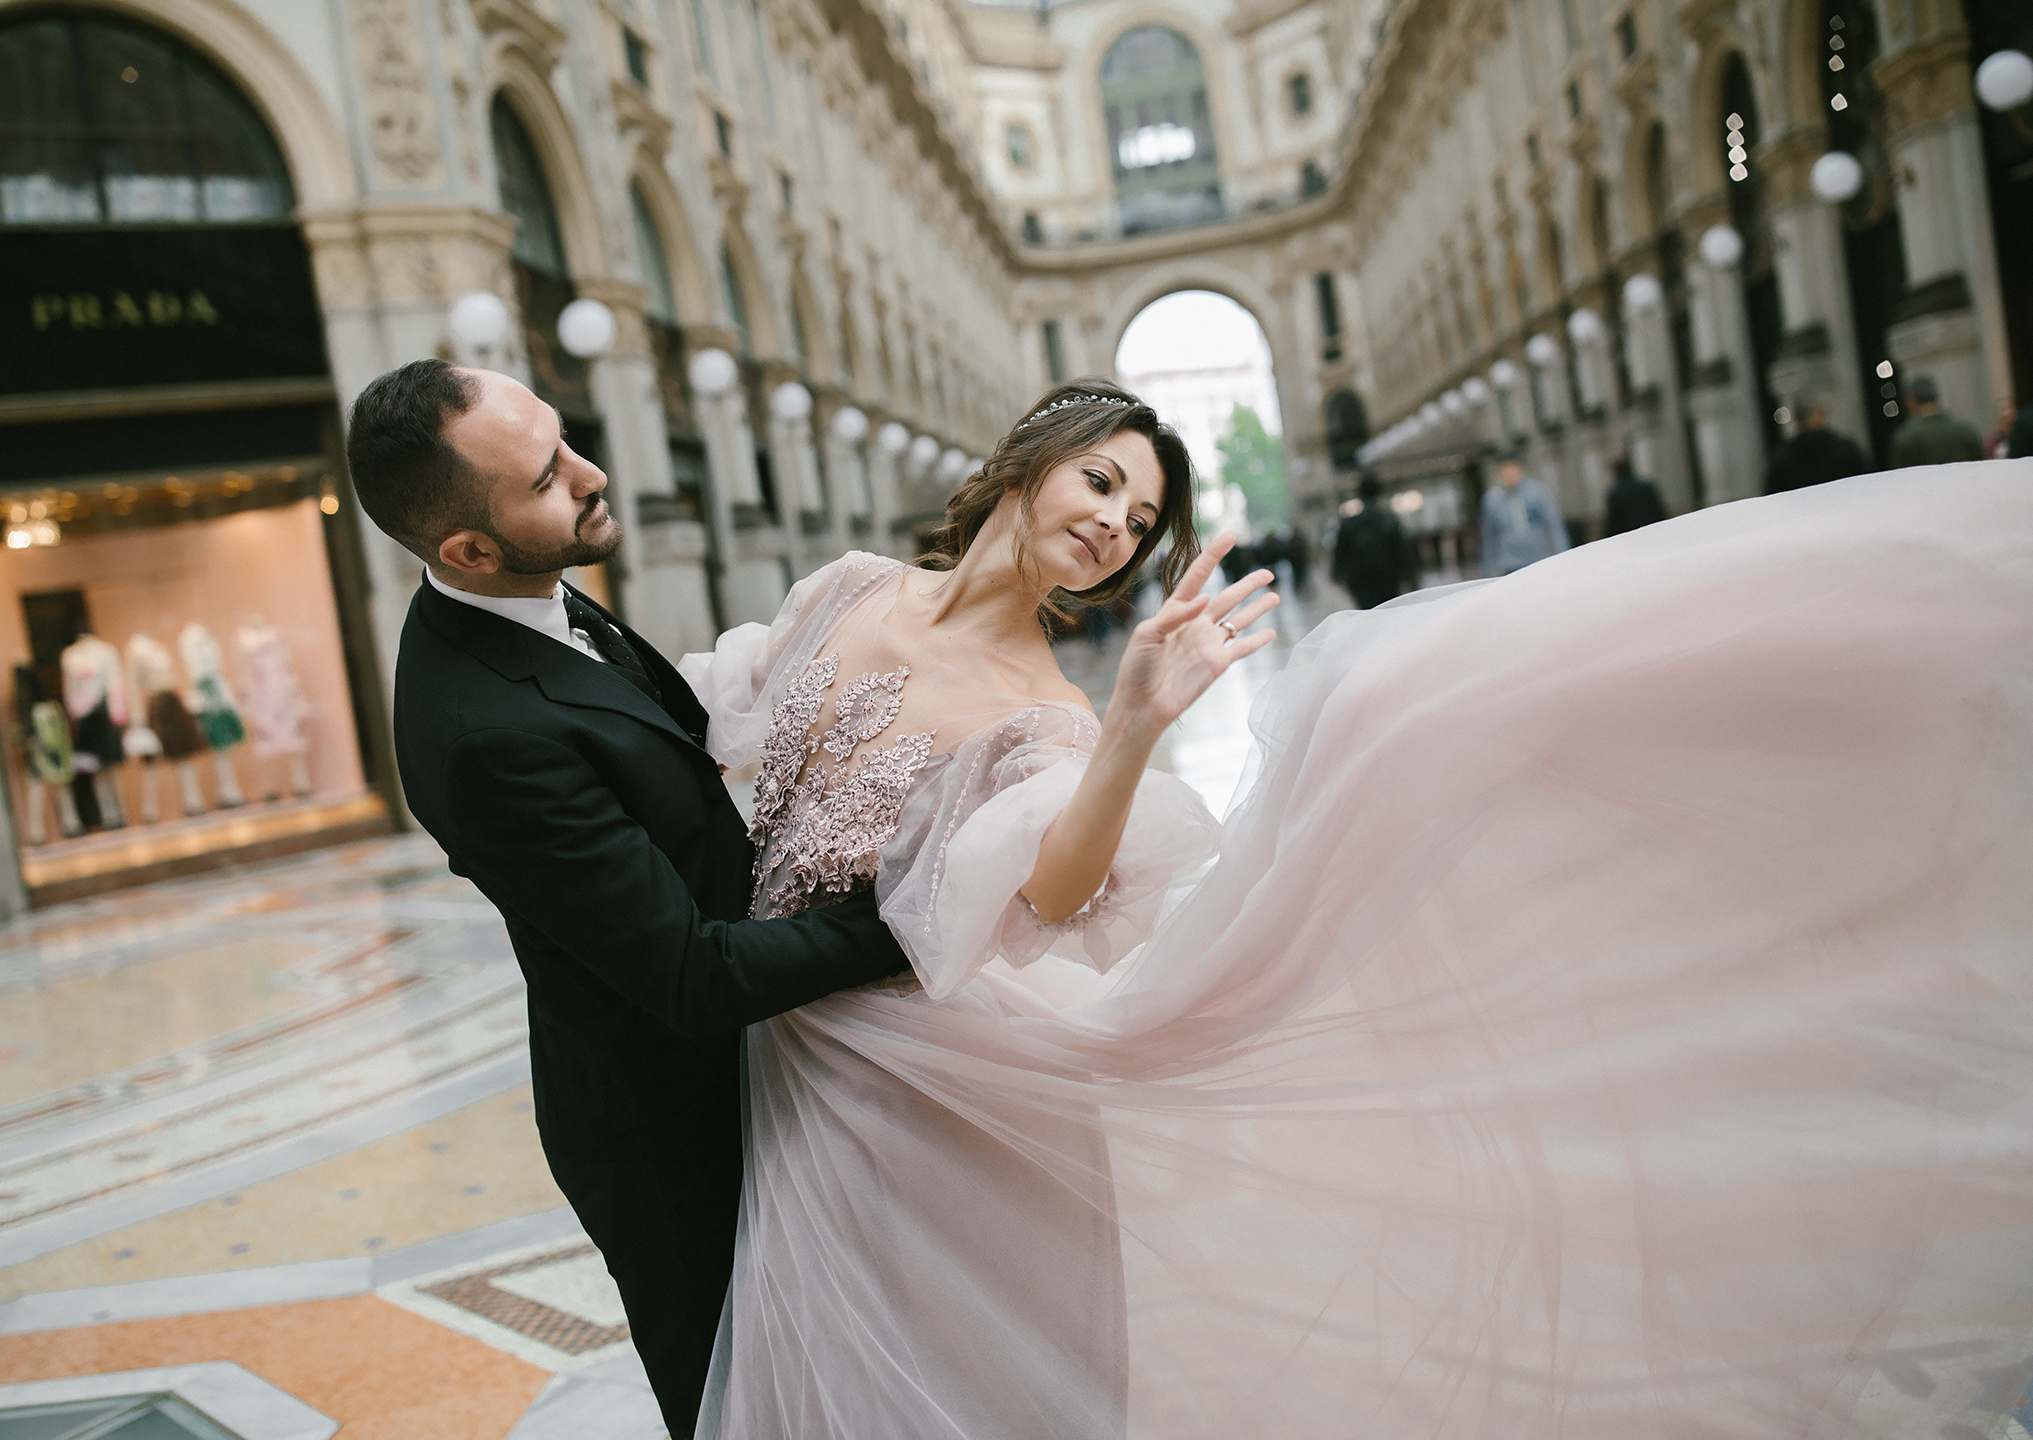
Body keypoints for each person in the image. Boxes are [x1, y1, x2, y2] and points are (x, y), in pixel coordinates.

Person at [681, 378, 2033, 1438]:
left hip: (908, 1096)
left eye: (1140, 521)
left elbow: (1054, 892)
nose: (1112, 525)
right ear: (1031, 461)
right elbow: (713, 741)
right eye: (1101, 481)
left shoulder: (1045, 708)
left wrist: (1134, 727)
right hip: (773, 1040)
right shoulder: (847, 586)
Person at [344, 360, 911, 1440]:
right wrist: (912, 915)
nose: (591, 473)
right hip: (671, 1133)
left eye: (564, 439)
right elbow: (691, 974)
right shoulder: (484, 737)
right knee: (747, 1403)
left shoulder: (528, 590)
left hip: (748, 1064)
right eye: (547, 477)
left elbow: (661, 756)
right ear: (468, 550)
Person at [1331, 473, 1417, 608]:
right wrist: (1411, 579)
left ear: (1360, 494)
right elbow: (1402, 551)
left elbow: (1340, 553)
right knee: (1389, 611)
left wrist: (1337, 574)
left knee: (1368, 612)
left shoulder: (1349, 524)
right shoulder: (1389, 520)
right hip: (1388, 579)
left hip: (1360, 581)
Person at [1475, 453, 1569, 575]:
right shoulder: (1492, 499)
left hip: (1538, 557)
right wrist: (1488, 570)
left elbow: (1554, 525)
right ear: (1499, 474)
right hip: (1510, 561)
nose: (1510, 475)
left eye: (1512, 469)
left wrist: (1564, 556)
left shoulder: (1537, 492)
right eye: (1505, 471)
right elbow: (1489, 537)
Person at [1764, 394, 1869, 492]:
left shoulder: (1781, 460)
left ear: (1797, 420)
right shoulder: (1845, 450)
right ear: (1820, 414)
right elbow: (1865, 486)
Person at [1889, 374, 1984, 467]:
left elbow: (1902, 473)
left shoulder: (1906, 437)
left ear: (1911, 400)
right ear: (1937, 397)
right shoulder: (1966, 430)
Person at [1602, 455, 1668, 535]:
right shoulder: (1647, 487)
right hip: (1651, 530)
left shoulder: (1616, 494)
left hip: (1630, 534)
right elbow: (1658, 512)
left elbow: (1614, 523)